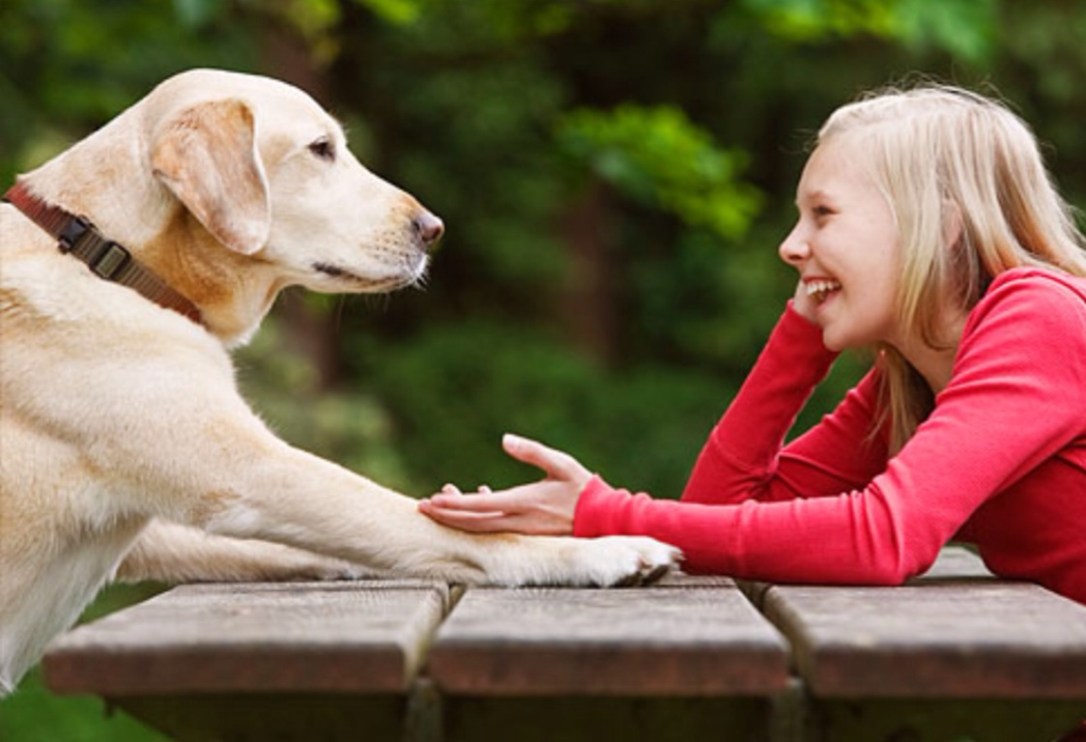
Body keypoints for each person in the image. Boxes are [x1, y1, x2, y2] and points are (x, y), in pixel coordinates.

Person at [417, 84, 1086, 608]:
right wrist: (802, 335)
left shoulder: (1039, 318)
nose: (791, 246)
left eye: (823, 215)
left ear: (938, 225)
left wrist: (600, 514)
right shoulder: (910, 379)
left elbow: (885, 538)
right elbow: (720, 516)